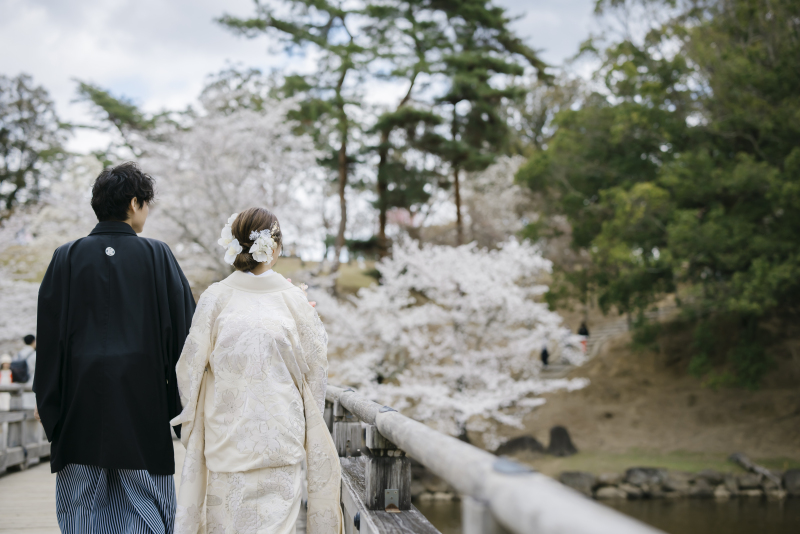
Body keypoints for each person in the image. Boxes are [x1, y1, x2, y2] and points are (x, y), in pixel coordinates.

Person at [34, 162, 196, 534]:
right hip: (143, 402)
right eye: (147, 204)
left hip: (78, 401)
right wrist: (181, 410)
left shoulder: (66, 256)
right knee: (147, 505)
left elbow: (50, 341)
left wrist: (50, 407)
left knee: (81, 506)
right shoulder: (158, 256)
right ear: (136, 203)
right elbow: (187, 338)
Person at [171, 207, 342, 534]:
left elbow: (189, 367)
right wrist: (309, 424)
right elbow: (316, 368)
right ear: (274, 248)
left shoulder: (216, 298)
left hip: (227, 435)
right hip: (281, 434)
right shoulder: (294, 300)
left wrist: (195, 421)